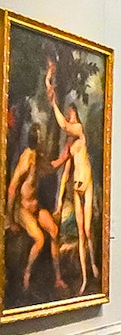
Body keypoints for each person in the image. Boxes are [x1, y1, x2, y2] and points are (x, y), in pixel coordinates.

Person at [46, 65, 99, 295]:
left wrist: (54, 105)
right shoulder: (70, 147)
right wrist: (58, 202)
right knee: (79, 233)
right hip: (76, 189)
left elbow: (64, 125)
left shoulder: (80, 133)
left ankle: (94, 263)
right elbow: (64, 172)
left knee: (87, 231)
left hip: (86, 186)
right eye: (68, 115)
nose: (70, 118)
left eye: (71, 114)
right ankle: (86, 279)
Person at [7, 125, 66, 292]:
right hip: (23, 210)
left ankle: (58, 279)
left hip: (35, 207)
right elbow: (12, 189)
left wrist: (64, 156)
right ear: (36, 140)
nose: (44, 140)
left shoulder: (37, 157)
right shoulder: (26, 159)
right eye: (41, 138)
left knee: (54, 230)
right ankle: (26, 276)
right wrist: (11, 219)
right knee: (39, 239)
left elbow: (50, 168)